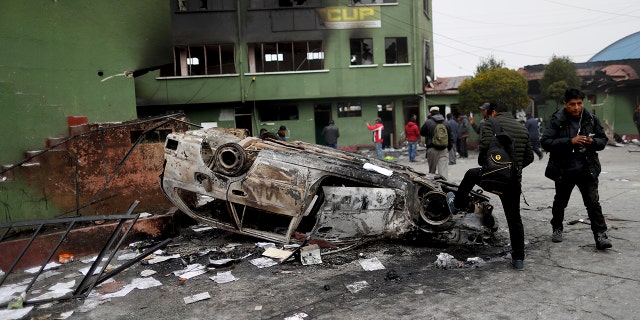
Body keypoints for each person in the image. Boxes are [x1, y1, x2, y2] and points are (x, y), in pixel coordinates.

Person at [447, 101, 534, 270]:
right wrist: (512, 169)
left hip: (491, 177)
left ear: (493, 112)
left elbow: (484, 152)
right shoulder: (522, 128)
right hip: (512, 182)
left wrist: (494, 166)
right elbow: (529, 157)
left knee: (471, 174)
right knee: (515, 219)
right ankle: (518, 259)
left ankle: (457, 205)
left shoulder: (489, 124)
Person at [540, 88, 612, 250]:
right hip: (564, 170)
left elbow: (602, 140)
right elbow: (545, 142)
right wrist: (569, 141)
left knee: (593, 203)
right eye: (572, 104)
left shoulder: (591, 118)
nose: (576, 107)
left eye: (579, 103)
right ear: (565, 104)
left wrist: (592, 143)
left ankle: (601, 235)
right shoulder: (557, 120)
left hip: (587, 169)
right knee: (560, 202)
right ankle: (557, 228)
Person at [420, 106, 453, 179]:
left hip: (432, 149)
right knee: (443, 172)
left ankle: (434, 188)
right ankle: (444, 188)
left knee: (432, 172)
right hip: (444, 149)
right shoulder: (446, 122)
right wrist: (448, 148)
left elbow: (422, 132)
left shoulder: (428, 122)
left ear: (431, 113)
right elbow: (451, 137)